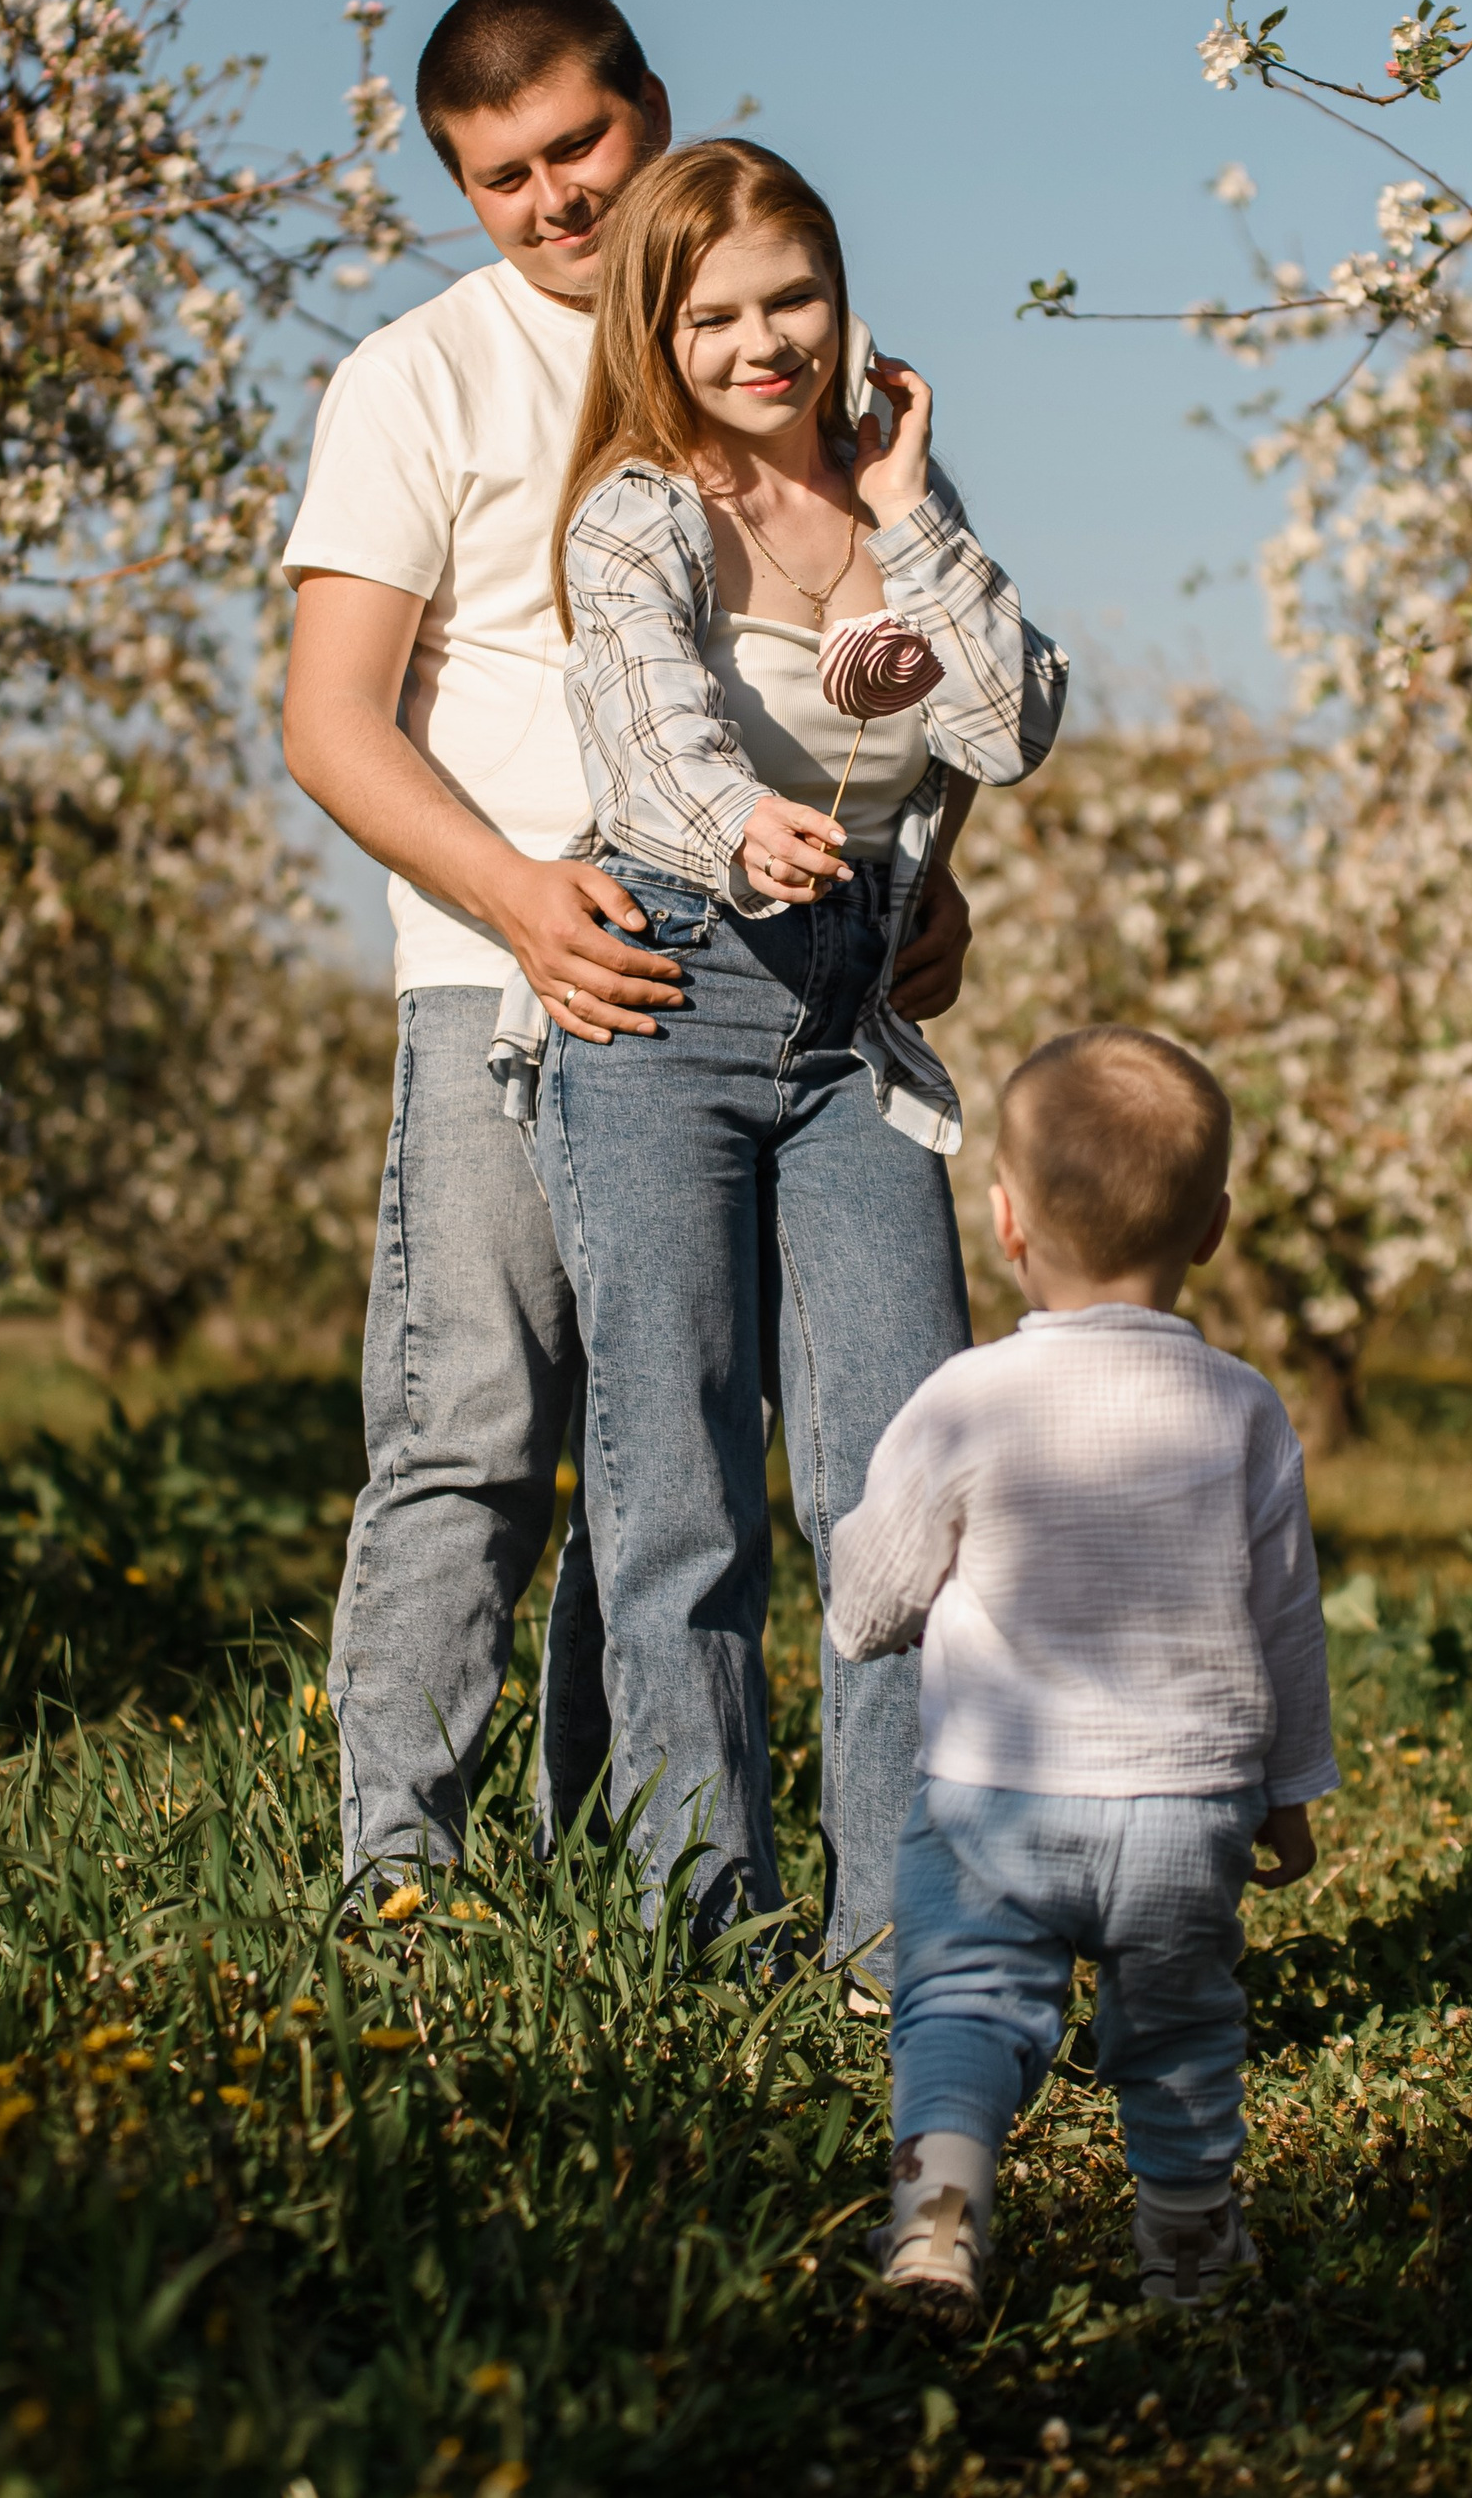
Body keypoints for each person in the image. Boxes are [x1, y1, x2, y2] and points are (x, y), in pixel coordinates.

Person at [281, 0, 980, 1898]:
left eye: (579, 147)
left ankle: (623, 1865)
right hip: (505, 968)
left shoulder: (760, 359)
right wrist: (518, 897)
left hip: (773, 971)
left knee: (684, 1452)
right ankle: (398, 1870)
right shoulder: (415, 378)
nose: (552, 201)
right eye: (499, 177)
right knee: (484, 1431)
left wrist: (927, 877)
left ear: (649, 111)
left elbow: (874, 682)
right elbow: (329, 719)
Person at [527, 134, 1068, 1978]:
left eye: (796, 299)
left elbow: (1009, 726)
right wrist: (736, 819)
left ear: (842, 300)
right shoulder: (635, 512)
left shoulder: (903, 506)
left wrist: (909, 509)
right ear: (656, 330)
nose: (766, 342)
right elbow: (644, 724)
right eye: (719, 313)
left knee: (904, 1489)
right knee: (675, 1482)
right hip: (666, 1000)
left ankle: (892, 1936)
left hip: (855, 1030)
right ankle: (703, 1927)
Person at [828, 1026, 1339, 2328]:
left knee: (962, 2005)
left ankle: (939, 2227)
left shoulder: (968, 1397)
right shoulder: (1244, 1409)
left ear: (1002, 1218)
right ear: (1215, 1224)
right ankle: (1186, 2251)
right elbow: (1288, 1619)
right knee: (1179, 2032)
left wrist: (861, 1621)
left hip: (996, 1792)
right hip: (1187, 1804)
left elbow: (883, 1578)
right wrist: (1290, 1790)